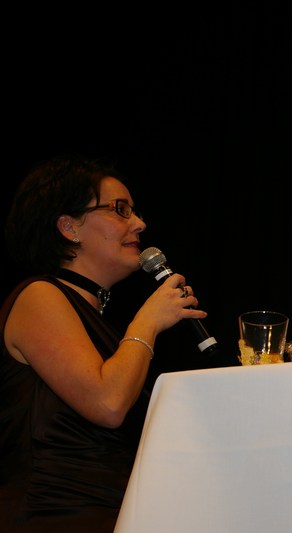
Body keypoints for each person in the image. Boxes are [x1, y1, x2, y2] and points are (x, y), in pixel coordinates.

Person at [0, 155, 212, 532]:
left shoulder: (105, 329)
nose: (139, 223)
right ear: (69, 227)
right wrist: (148, 321)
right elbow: (107, 403)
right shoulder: (38, 296)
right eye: (120, 210)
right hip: (56, 517)